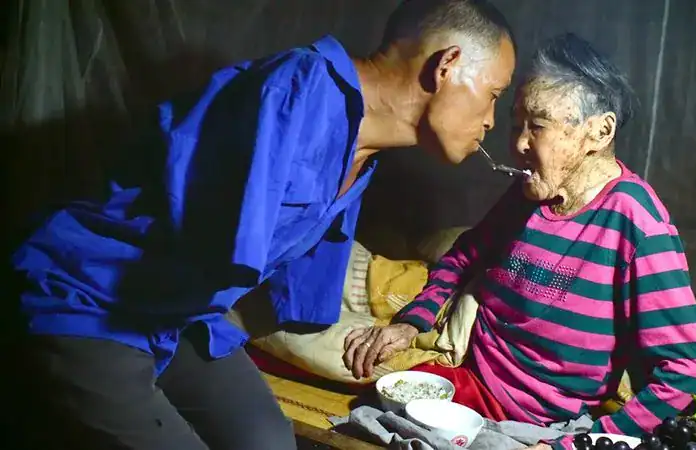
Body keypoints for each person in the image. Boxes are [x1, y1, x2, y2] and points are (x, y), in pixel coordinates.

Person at [10, 1, 515, 449]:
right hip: (90, 301)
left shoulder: (362, 154)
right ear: (447, 65)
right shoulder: (294, 89)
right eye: (494, 93)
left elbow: (286, 286)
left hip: (179, 317)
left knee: (266, 440)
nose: (492, 119)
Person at [344, 33, 696, 450]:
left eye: (537, 125)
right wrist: (412, 323)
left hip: (545, 422)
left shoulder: (637, 223)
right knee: (364, 395)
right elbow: (463, 256)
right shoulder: (528, 197)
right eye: (516, 124)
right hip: (466, 373)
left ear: (599, 131)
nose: (518, 142)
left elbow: (687, 369)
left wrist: (586, 443)